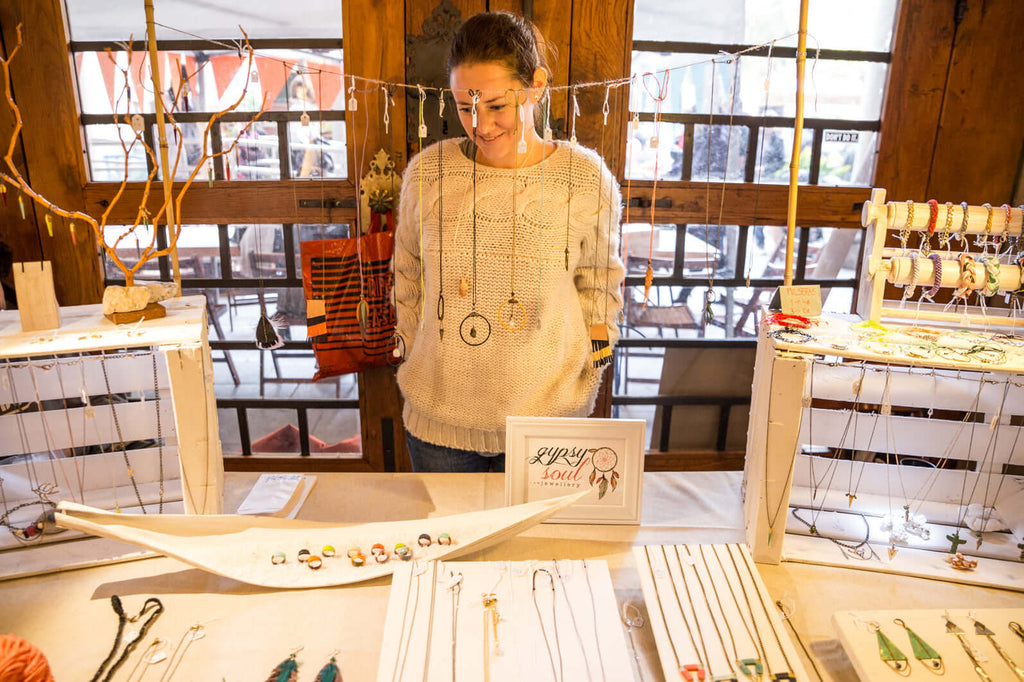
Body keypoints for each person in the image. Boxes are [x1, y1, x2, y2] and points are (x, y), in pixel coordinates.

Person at [393, 11, 624, 472]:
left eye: (496, 105)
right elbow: (407, 275)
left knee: (541, 548)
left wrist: (593, 365)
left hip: (551, 425)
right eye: (464, 106)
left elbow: (601, 288)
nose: (480, 125)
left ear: (536, 85)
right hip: (439, 426)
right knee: (448, 544)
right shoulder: (428, 172)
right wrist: (412, 351)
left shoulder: (585, 177)